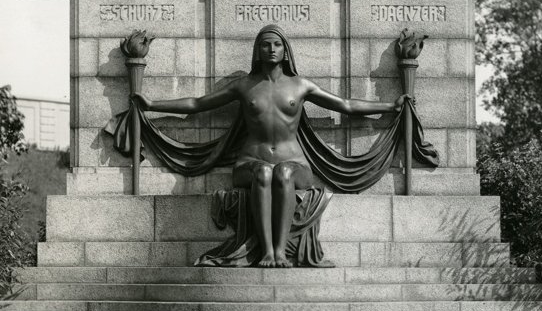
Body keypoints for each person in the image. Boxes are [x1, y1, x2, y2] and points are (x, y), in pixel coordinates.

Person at [134, 25, 408, 268]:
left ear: (285, 50)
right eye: (265, 44)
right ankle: (266, 251)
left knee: (283, 173)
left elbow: (345, 105)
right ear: (257, 50)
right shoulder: (244, 86)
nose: (271, 49)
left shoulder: (300, 86)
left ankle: (280, 251)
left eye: (277, 44)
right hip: (250, 163)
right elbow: (197, 104)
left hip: (296, 165)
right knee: (264, 173)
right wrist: (152, 105)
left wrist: (390, 106)